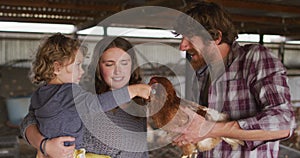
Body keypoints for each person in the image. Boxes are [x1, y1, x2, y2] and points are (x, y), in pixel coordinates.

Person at [172, 1, 296, 158]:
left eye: (190, 37)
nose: (182, 46)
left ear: (216, 37)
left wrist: (211, 129)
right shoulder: (202, 74)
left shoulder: (254, 58)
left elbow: (283, 123)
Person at [21, 35, 151, 158]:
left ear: (132, 64)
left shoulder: (142, 103)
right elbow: (29, 121)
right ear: (98, 67)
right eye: (109, 64)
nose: (118, 71)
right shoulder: (80, 95)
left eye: (124, 63)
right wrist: (45, 145)